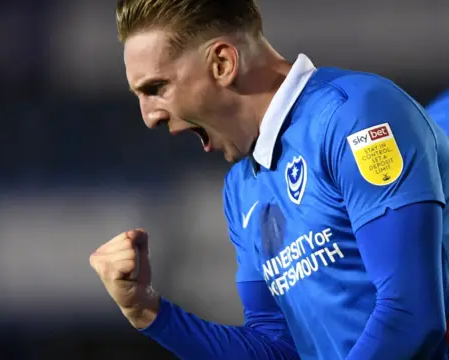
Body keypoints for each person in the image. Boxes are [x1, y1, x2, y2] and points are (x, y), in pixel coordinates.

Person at [89, 0, 449, 359]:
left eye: (156, 88)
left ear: (222, 64)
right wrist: (148, 311)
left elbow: (410, 314)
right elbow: (279, 347)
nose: (149, 117)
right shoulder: (241, 189)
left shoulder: (356, 118)